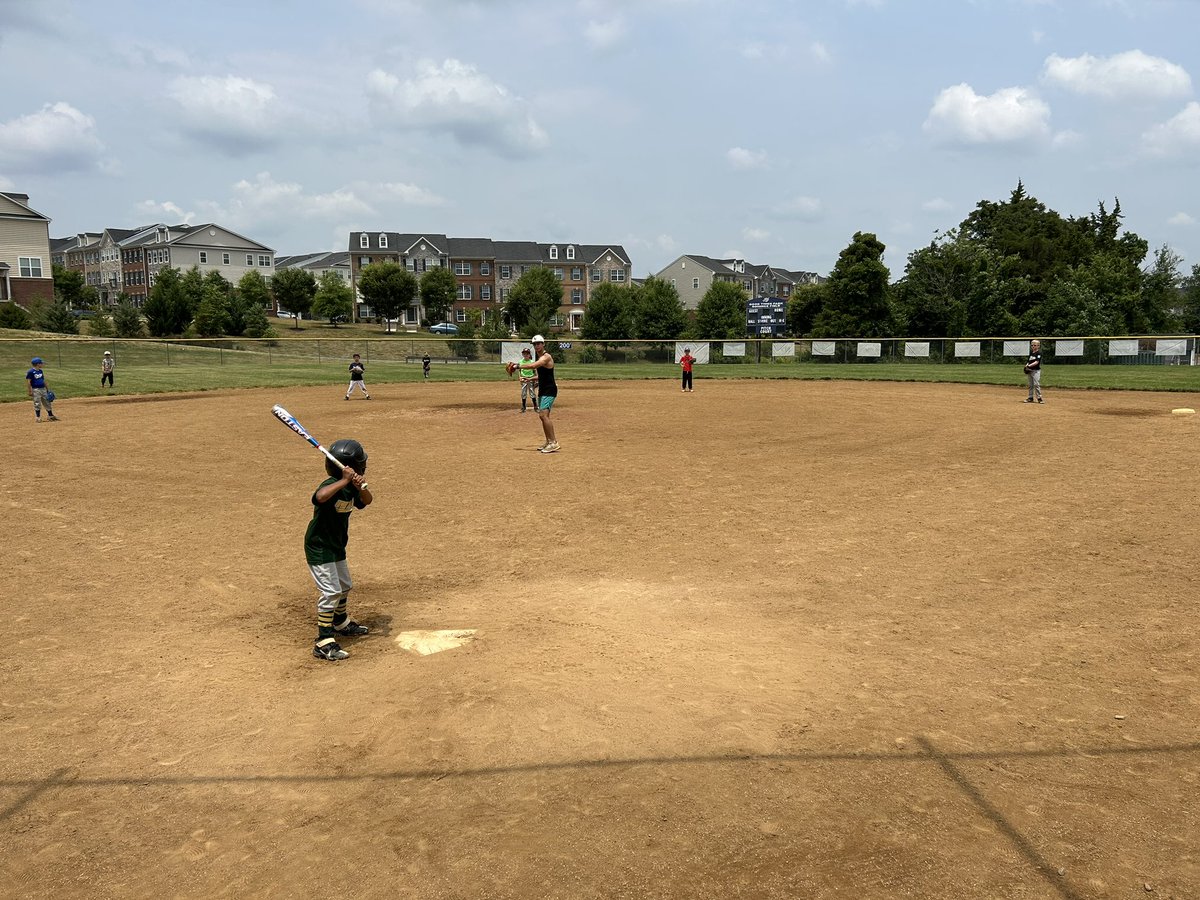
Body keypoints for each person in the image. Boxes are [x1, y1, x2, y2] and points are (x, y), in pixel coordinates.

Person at [305, 439, 374, 661]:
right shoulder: (332, 484)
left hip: (336, 545)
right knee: (331, 592)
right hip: (319, 547)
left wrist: (360, 486)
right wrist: (343, 480)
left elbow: (367, 500)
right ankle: (323, 642)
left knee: (344, 586)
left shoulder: (350, 487)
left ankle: (340, 622)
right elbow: (319, 497)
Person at [525, 335, 559, 452]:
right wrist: (531, 379)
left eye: (538, 343)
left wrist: (517, 366)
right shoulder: (540, 358)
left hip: (549, 390)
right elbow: (542, 376)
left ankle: (553, 442)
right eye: (534, 344)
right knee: (544, 416)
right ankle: (549, 441)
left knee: (543, 415)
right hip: (543, 389)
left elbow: (533, 366)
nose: (536, 346)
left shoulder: (546, 357)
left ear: (543, 344)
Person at [25, 356, 59, 423]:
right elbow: (28, 382)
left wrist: (47, 388)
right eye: (41, 363)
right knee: (37, 403)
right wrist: (30, 391)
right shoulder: (31, 372)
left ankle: (50, 416)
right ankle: (38, 417)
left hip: (43, 389)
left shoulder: (40, 371)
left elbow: (43, 380)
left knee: (47, 401)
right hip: (36, 390)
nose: (42, 364)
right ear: (37, 364)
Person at [1023, 339, 1044, 404]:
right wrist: (1026, 366)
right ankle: (1030, 397)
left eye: (1035, 345)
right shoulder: (1031, 353)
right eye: (1032, 345)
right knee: (1030, 385)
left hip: (1036, 371)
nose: (1033, 346)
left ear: (1038, 346)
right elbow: (1028, 361)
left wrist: (1029, 366)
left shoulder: (1039, 353)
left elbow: (1036, 362)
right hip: (1030, 370)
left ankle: (1039, 398)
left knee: (1036, 384)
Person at [517, 348, 537, 413]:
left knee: (532, 392)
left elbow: (535, 371)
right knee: (523, 393)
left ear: (529, 354)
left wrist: (535, 379)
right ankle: (523, 407)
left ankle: (535, 406)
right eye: (524, 353)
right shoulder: (520, 361)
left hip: (530, 378)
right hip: (523, 378)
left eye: (527, 353)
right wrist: (519, 377)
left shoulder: (532, 362)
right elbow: (519, 370)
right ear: (522, 354)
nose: (525, 355)